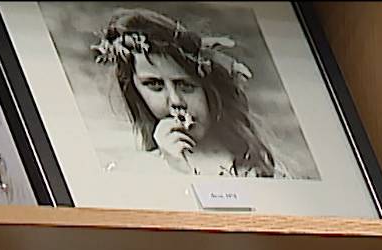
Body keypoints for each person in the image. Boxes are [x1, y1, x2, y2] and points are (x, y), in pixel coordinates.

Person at [90, 9, 279, 178]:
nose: (175, 101)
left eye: (186, 85)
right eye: (154, 85)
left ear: (210, 90)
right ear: (136, 90)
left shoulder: (254, 165)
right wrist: (173, 169)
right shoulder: (139, 172)